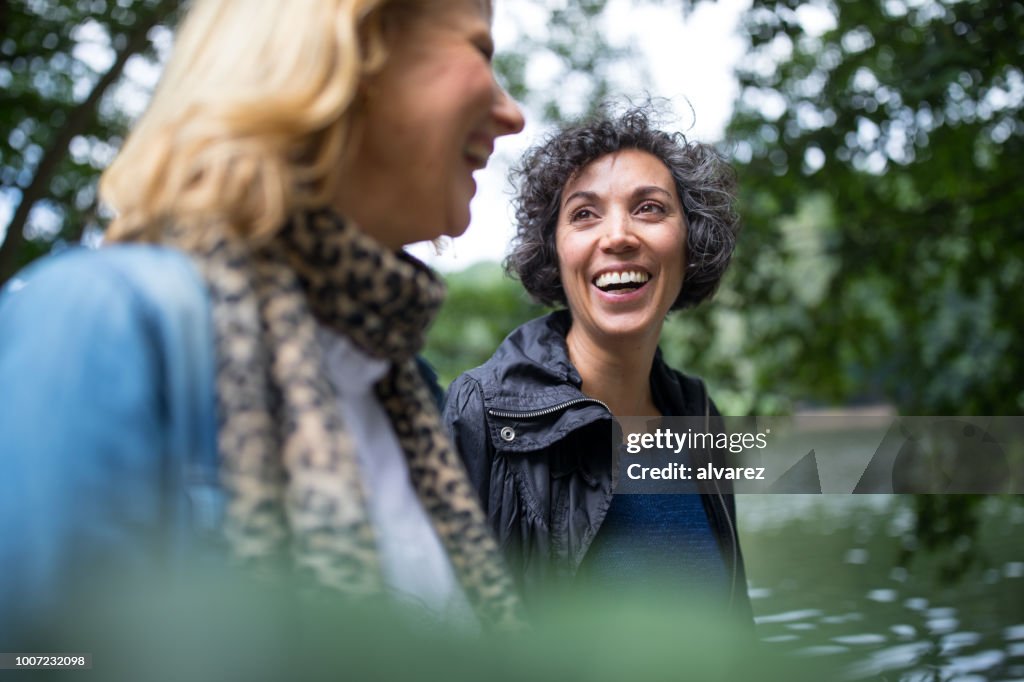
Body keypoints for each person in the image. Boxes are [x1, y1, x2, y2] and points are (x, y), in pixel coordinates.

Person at [0, 0, 526, 636]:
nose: (513, 114)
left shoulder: (401, 388)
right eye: (480, 50)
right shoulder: (103, 321)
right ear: (349, 50)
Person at [442, 106, 753, 621]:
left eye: (649, 208)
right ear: (555, 251)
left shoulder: (699, 416)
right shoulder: (483, 414)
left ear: (691, 243)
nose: (617, 236)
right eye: (584, 214)